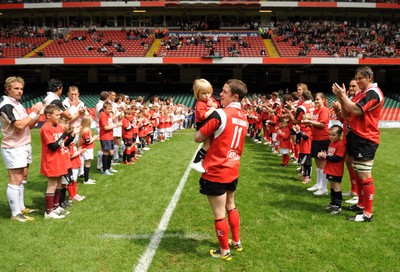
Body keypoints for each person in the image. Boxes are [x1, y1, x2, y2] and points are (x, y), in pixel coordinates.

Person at [194, 79, 248, 261]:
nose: (220, 95)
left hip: (216, 169)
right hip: (233, 168)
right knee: (231, 204)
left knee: (219, 212)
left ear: (235, 96)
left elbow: (198, 137)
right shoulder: (244, 116)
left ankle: (224, 251)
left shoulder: (220, 114)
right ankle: (237, 241)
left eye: (224, 92)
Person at [332, 66, 384, 222]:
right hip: (357, 137)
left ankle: (368, 213)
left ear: (369, 77)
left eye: (360, 78)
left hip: (366, 139)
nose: (358, 81)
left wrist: (343, 96)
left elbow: (357, 111)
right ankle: (361, 205)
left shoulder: (373, 93)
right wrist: (341, 98)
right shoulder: (362, 93)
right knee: (358, 172)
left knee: (364, 175)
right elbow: (347, 113)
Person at [0, 76, 44, 222]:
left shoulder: (18, 105)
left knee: (23, 176)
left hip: (24, 145)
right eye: (16, 88)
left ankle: (21, 207)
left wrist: (37, 115)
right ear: (8, 89)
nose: (19, 91)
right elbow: (18, 125)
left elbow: (28, 125)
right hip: (13, 147)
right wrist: (33, 112)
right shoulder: (6, 105)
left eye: (21, 88)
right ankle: (15, 213)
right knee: (15, 179)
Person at [40, 104, 80, 219]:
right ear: (48, 115)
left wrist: (71, 136)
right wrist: (64, 134)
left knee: (58, 183)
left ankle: (56, 207)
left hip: (60, 159)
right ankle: (48, 211)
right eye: (57, 115)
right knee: (52, 184)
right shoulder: (46, 128)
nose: (59, 117)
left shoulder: (58, 126)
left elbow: (64, 144)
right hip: (51, 161)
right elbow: (53, 146)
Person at [190, 78, 220, 173]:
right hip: (203, 125)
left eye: (208, 92)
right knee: (207, 145)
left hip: (208, 124)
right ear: (197, 94)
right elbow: (203, 116)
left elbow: (218, 104)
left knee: (210, 145)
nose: (207, 95)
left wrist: (213, 105)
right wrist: (212, 109)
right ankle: (196, 161)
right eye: (203, 93)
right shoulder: (199, 103)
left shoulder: (210, 100)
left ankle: (203, 161)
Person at [304, 92, 330, 196]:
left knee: (322, 163)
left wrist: (309, 122)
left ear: (323, 100)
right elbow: (314, 125)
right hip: (316, 138)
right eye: (315, 99)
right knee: (318, 162)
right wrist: (309, 124)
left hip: (323, 139)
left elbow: (322, 124)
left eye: (318, 99)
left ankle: (324, 188)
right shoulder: (315, 111)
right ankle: (318, 184)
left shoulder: (324, 110)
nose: (316, 101)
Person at [317, 125, 346, 215]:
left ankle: (338, 207)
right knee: (332, 186)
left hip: (336, 170)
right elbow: (329, 155)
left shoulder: (341, 144)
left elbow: (338, 158)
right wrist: (323, 155)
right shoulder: (331, 143)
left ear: (340, 135)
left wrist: (326, 156)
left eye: (333, 135)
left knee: (337, 187)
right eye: (329, 134)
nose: (331, 136)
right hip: (330, 168)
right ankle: (333, 203)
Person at [79, 116, 99, 184]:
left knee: (88, 163)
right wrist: (94, 138)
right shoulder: (86, 130)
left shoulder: (84, 129)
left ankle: (87, 178)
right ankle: (86, 180)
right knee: (87, 163)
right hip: (87, 148)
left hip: (87, 148)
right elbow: (88, 141)